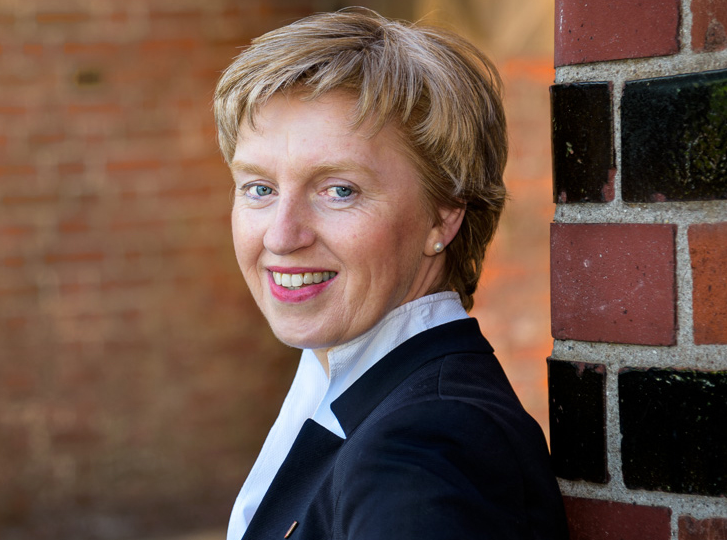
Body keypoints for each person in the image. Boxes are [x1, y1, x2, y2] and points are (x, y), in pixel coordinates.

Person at [213, 8, 568, 540]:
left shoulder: (425, 447)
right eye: (259, 188)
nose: (281, 237)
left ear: (443, 217)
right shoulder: (367, 398)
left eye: (339, 190)